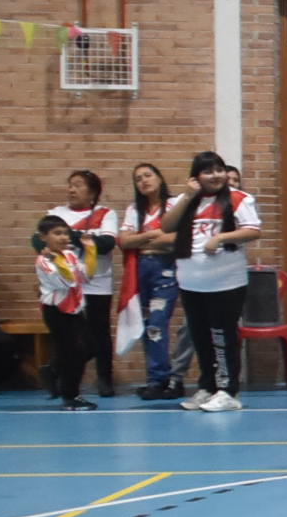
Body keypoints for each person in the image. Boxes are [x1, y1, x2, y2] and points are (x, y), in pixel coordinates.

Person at [166, 151, 259, 412]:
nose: (215, 175)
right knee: (200, 337)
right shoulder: (186, 201)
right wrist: (186, 196)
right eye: (208, 171)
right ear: (196, 177)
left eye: (219, 169)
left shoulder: (239, 199)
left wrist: (220, 238)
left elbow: (253, 230)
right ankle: (207, 387)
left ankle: (228, 391)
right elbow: (166, 226)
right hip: (191, 282)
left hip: (226, 283)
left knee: (222, 336)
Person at [45, 170, 119, 398]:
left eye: (78, 185)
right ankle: (60, 376)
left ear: (93, 191)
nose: (71, 190)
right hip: (65, 284)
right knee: (69, 335)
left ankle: (104, 378)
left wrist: (67, 236)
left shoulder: (106, 214)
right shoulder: (56, 213)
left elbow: (106, 243)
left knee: (99, 334)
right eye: (70, 185)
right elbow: (38, 239)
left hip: (97, 282)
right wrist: (85, 240)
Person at [120, 162, 184, 400]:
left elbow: (179, 238)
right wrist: (153, 235)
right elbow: (124, 241)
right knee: (145, 326)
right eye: (138, 178)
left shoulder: (174, 204)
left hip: (165, 271)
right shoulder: (134, 210)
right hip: (140, 271)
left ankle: (163, 379)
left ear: (159, 178)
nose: (144, 181)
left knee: (157, 324)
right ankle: (155, 379)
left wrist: (143, 241)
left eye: (148, 175)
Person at [33, 214, 99, 410]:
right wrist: (59, 263)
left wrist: (91, 252)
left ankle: (53, 369)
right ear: (43, 237)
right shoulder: (44, 261)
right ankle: (71, 396)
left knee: (91, 348)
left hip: (76, 309)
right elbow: (67, 281)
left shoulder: (69, 255)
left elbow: (86, 276)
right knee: (73, 353)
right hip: (57, 311)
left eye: (66, 233)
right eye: (57, 233)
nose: (63, 237)